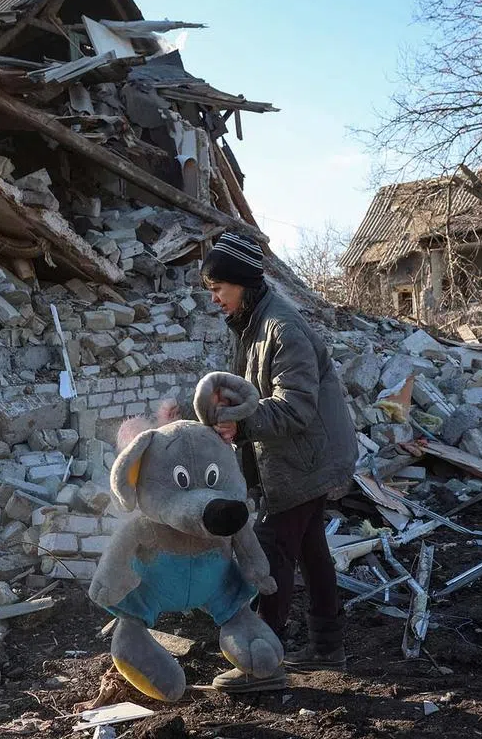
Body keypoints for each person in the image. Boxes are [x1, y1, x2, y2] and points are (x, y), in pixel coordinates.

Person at [199, 232, 357, 694]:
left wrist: (239, 426)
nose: (214, 298)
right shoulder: (253, 323)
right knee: (309, 547)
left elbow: (296, 407)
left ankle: (262, 660)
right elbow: (258, 392)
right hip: (302, 455)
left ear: (243, 283)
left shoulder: (281, 328)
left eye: (219, 288)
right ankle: (328, 646)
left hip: (307, 458)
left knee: (269, 553)